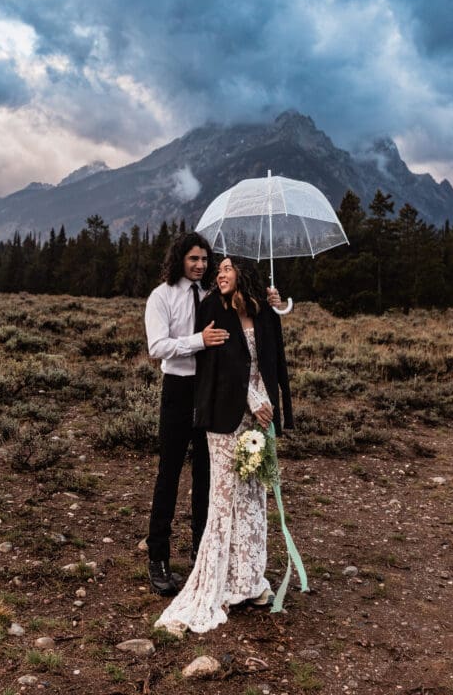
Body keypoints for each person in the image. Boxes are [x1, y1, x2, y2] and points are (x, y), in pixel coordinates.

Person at [154, 255, 293, 634]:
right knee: (224, 498)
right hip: (224, 416)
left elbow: (270, 359)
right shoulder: (213, 307)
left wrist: (267, 404)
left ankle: (249, 583)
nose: (220, 273)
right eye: (219, 270)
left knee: (253, 498)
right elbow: (220, 365)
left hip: (258, 418)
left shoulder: (263, 311)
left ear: (244, 274)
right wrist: (252, 398)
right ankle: (218, 584)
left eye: (227, 268)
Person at [144, 231, 224, 595]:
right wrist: (198, 341)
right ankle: (158, 558)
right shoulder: (161, 297)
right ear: (180, 259)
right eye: (194, 259)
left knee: (206, 476)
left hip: (208, 392)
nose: (200, 265)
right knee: (170, 474)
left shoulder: (210, 295)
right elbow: (157, 346)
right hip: (177, 391)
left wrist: (273, 302)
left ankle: (200, 554)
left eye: (205, 259)